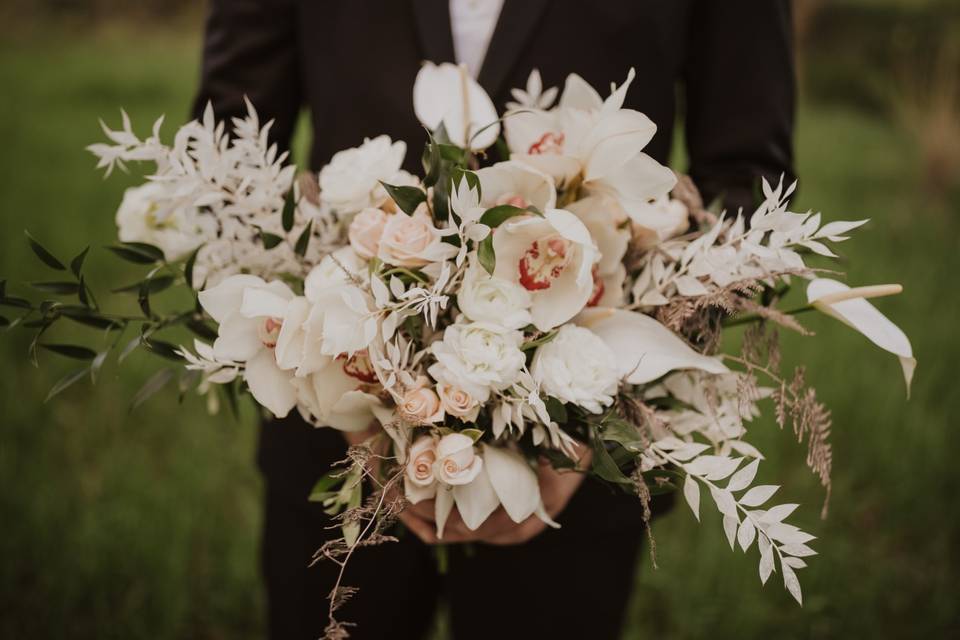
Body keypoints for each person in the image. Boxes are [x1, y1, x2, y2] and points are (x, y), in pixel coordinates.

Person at [193, 1, 795, 638]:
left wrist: (591, 413)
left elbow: (750, 186)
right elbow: (222, 154)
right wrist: (348, 380)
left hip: (579, 462)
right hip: (335, 444)